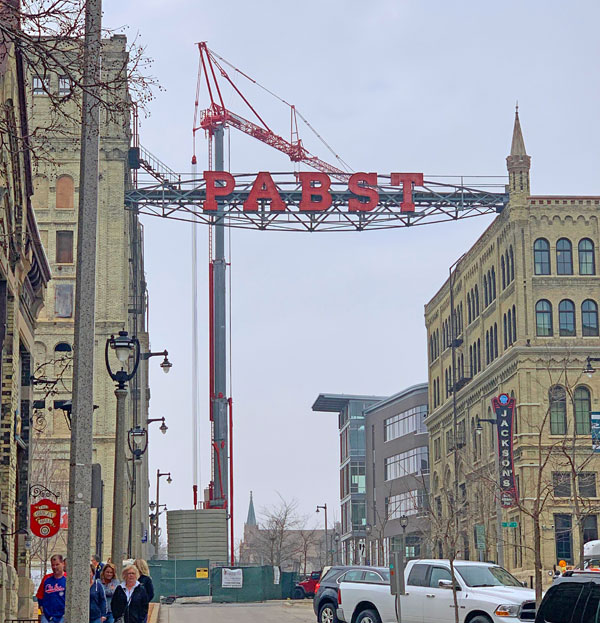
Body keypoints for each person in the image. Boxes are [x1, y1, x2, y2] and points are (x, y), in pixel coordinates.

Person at [37, 554, 66, 623]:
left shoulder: (67, 579)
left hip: (62, 616)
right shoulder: (46, 579)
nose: (55, 567)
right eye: (53, 565)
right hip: (47, 616)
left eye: (57, 564)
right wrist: (41, 608)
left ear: (63, 564)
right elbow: (40, 595)